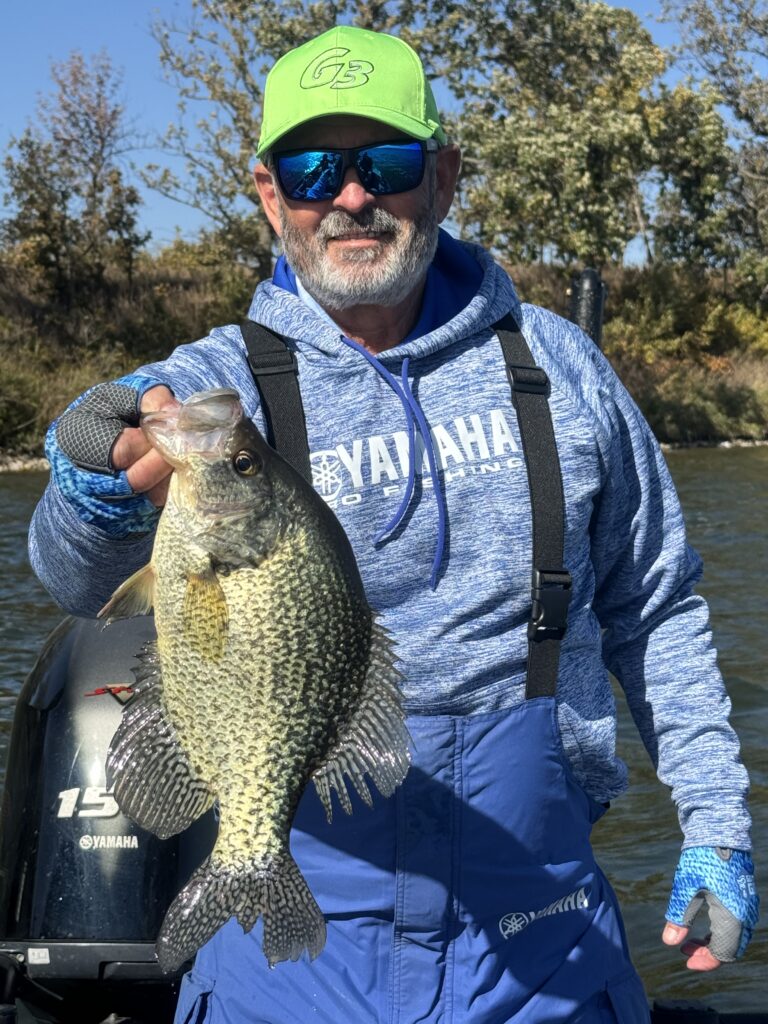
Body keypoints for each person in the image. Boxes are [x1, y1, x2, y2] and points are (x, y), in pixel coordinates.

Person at [29, 24, 758, 1024]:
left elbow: (658, 607)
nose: (353, 196)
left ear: (446, 176)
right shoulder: (220, 387)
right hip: (293, 960)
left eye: (387, 162)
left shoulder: (559, 369)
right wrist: (94, 475)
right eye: (314, 167)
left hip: (540, 944)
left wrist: (717, 820)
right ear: (269, 194)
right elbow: (73, 574)